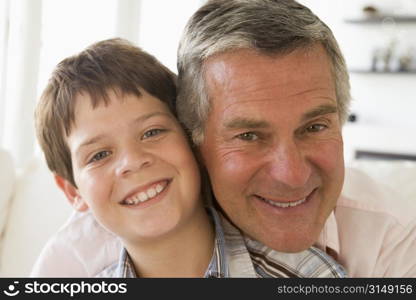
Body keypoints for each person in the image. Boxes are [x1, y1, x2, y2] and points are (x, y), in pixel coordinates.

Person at [32, 0, 416, 277]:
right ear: (195, 140)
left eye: (314, 127)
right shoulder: (76, 261)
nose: (292, 174)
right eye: (248, 135)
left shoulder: (392, 239)